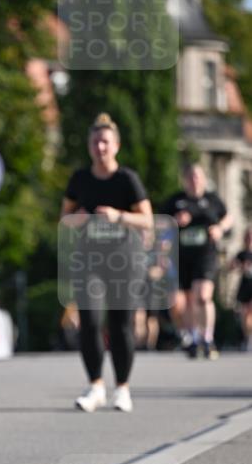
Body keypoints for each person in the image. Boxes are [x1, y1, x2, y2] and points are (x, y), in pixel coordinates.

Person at [60, 113, 153, 413]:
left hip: (124, 259)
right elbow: (65, 218)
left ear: (116, 146)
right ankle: (95, 385)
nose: (100, 147)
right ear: (90, 146)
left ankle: (122, 388)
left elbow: (147, 220)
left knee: (121, 324)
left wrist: (118, 216)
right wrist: (81, 219)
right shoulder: (80, 179)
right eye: (96, 141)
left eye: (106, 142)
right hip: (90, 259)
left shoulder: (127, 179)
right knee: (89, 321)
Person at [162, 163, 232, 359]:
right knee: (179, 302)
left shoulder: (212, 200)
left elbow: (228, 218)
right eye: (190, 177)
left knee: (202, 296)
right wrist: (174, 223)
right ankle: (191, 336)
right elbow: (160, 226)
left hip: (205, 255)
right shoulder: (175, 201)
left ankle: (207, 338)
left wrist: (220, 228)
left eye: (198, 176)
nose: (194, 180)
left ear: (203, 178)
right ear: (184, 180)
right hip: (181, 257)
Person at [231, 226, 252, 351]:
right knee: (244, 316)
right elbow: (232, 266)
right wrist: (239, 266)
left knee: (250, 313)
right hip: (245, 286)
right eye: (248, 237)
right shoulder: (242, 254)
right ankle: (247, 338)